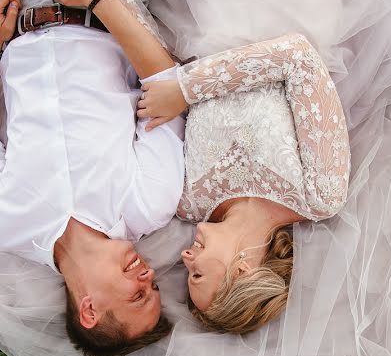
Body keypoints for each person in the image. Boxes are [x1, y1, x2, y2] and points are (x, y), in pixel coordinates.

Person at [0, 0, 185, 356]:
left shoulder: (9, 227)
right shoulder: (147, 204)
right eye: (154, 287)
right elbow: (164, 82)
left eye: (138, 294)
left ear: (88, 310)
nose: (148, 276)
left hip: (16, 1)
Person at [135, 34, 352, 334]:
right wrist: (187, 90)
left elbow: (156, 102)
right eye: (197, 274)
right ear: (242, 270)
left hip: (190, 32)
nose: (185, 257)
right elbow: (299, 57)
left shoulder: (188, 203)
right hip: (275, 13)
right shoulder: (320, 194)